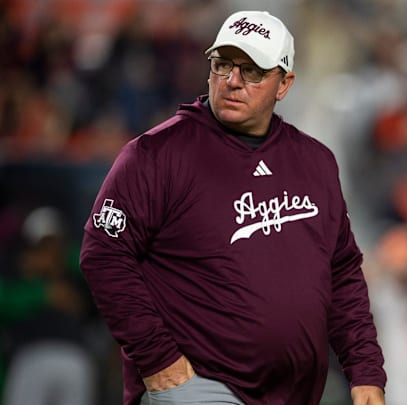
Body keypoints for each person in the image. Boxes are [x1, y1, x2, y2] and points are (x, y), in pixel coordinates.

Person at [79, 10, 386, 405]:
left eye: (252, 70)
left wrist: (365, 373)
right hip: (199, 386)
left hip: (294, 394)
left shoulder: (315, 161)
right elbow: (103, 254)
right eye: (222, 64)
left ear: (284, 84)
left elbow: (342, 274)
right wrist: (160, 361)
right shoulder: (156, 154)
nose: (232, 81)